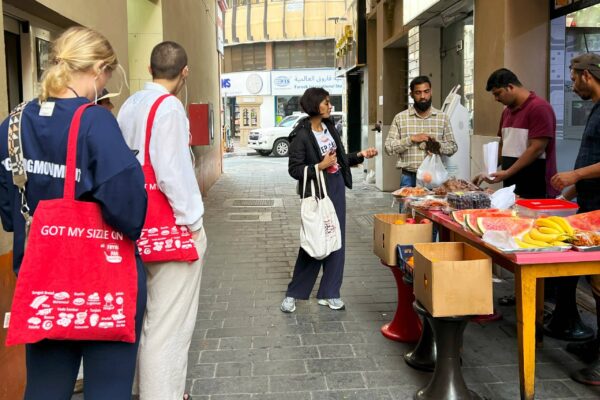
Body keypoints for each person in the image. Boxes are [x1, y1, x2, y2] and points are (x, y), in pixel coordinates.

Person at [0, 27, 148, 400]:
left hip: (41, 276)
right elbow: (130, 212)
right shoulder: (95, 122)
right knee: (109, 390)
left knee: (45, 389)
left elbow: (7, 213)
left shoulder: (12, 125)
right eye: (109, 75)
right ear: (99, 69)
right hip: (100, 279)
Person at [117, 41, 206, 400]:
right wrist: (193, 223)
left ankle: (152, 389)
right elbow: (172, 174)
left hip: (136, 224)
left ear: (150, 68)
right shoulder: (168, 107)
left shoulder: (129, 105)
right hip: (169, 229)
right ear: (184, 73)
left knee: (149, 317)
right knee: (168, 324)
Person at [280, 87, 377, 313]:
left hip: (335, 188)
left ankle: (330, 292)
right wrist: (318, 167)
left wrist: (361, 155)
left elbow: (339, 159)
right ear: (315, 105)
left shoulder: (330, 127)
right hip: (316, 191)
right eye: (325, 102)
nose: (329, 106)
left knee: (335, 239)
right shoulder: (301, 135)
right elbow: (294, 169)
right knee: (315, 239)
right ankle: (295, 293)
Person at [550, 53, 600, 385]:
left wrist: (574, 175)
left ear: (586, 75)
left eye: (573, 75)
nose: (572, 82)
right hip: (590, 205)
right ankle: (596, 346)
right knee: (595, 284)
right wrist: (568, 194)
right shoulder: (596, 107)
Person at [473, 68, 559, 199]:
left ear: (510, 87)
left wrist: (507, 172)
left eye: (498, 93)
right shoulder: (506, 112)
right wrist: (488, 172)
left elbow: (536, 148)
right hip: (512, 186)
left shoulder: (539, 108)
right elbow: (503, 144)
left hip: (536, 186)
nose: (496, 99)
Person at [384, 75, 457, 189]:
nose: (423, 96)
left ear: (431, 92)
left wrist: (437, 146)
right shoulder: (400, 118)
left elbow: (453, 147)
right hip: (409, 178)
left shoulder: (443, 118)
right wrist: (411, 139)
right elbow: (388, 148)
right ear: (411, 94)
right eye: (418, 92)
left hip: (435, 177)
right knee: (406, 207)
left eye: (426, 91)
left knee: (435, 206)